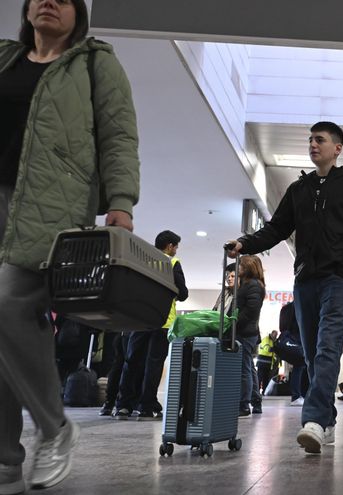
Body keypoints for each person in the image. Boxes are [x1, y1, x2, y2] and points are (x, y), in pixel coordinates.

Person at [0, 1, 140, 489]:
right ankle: (5, 458)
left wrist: (120, 201)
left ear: (78, 12)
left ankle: (55, 428)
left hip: (50, 204)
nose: (48, 1)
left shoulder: (95, 62)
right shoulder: (5, 58)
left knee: (9, 305)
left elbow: (119, 134)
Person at [227, 121, 343, 454]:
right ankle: (329, 417)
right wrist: (245, 243)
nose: (313, 144)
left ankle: (313, 421)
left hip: (340, 281)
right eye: (310, 139)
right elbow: (278, 228)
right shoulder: (299, 190)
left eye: (320, 140)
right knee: (311, 354)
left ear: (337, 148)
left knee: (327, 348)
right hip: (306, 280)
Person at [115, 231, 188, 421]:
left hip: (139, 320)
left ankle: (123, 405)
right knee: (153, 364)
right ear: (170, 246)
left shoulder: (142, 260)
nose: (176, 250)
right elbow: (183, 293)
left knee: (132, 360)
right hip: (162, 321)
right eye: (176, 246)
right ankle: (146, 406)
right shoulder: (172, 263)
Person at [235, 255, 266, 416]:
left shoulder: (252, 285)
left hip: (245, 332)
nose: (237, 269)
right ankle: (252, 401)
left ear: (248, 267)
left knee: (244, 368)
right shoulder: (251, 285)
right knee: (248, 368)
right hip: (247, 331)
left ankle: (244, 404)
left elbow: (250, 311)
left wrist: (234, 322)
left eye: (240, 266)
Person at [256, 331, 279, 396]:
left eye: (276, 335)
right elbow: (267, 349)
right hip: (262, 362)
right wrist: (275, 349)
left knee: (265, 378)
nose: (275, 336)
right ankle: (257, 392)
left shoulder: (272, 340)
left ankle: (264, 391)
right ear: (271, 334)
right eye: (275, 335)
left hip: (267, 363)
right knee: (259, 377)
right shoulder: (266, 339)